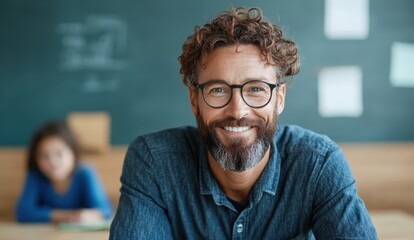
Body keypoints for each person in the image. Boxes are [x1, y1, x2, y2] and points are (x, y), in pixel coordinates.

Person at [110, 7, 377, 239]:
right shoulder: (154, 162)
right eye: (218, 90)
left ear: (279, 98)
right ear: (194, 99)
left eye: (256, 89)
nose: (238, 110)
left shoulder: (318, 164)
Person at [16, 121, 113, 223]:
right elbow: (23, 213)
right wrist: (66, 216)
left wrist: (90, 215)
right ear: (36, 159)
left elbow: (106, 211)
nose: (53, 161)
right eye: (45, 156)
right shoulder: (35, 176)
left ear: (73, 153)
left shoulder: (85, 173)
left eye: (59, 153)